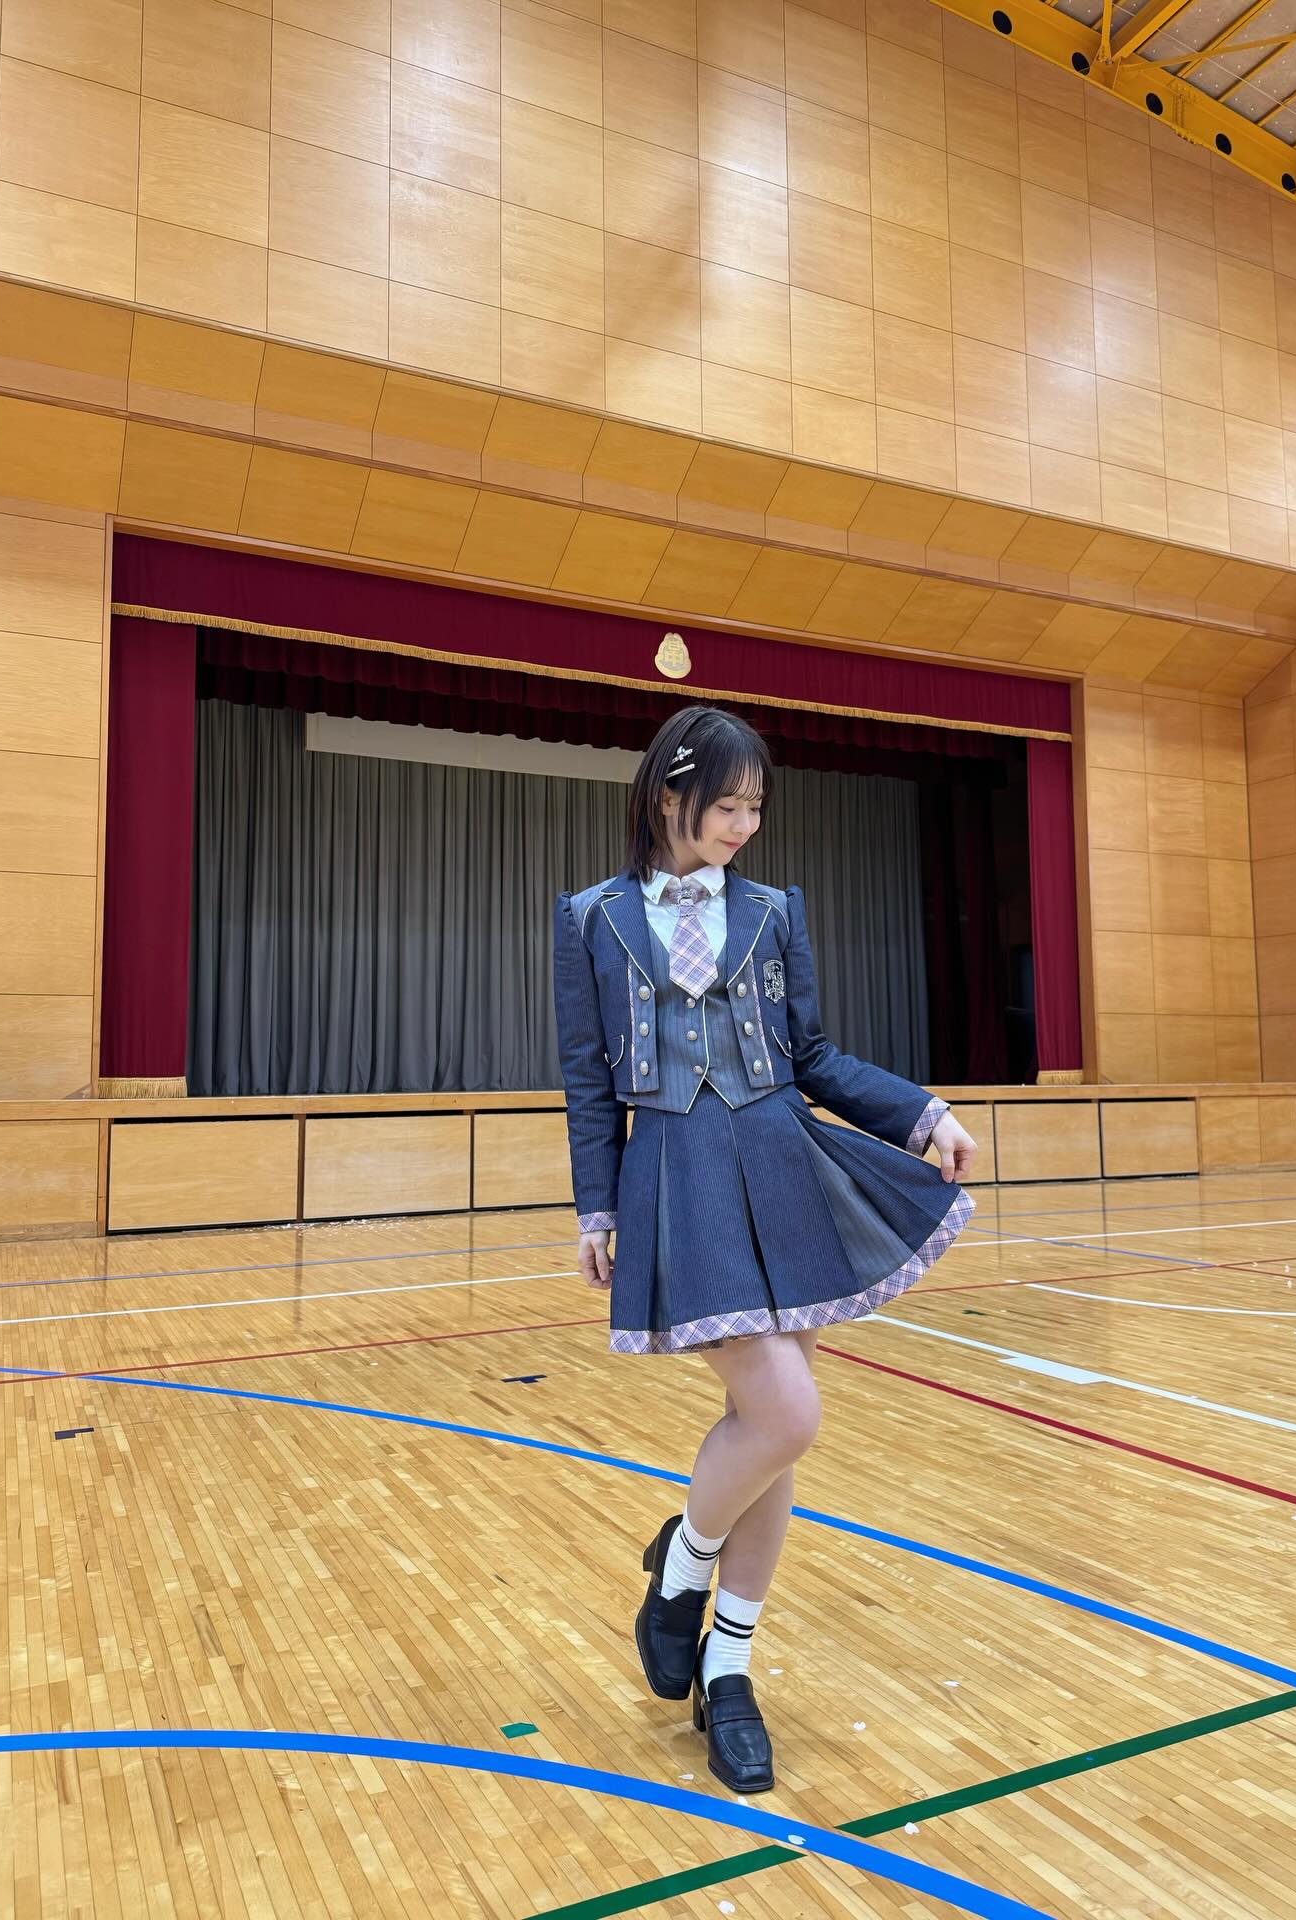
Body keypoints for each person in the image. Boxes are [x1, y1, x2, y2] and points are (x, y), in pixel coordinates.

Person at [552, 705, 977, 1793]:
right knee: (785, 1416)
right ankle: (680, 1572)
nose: (744, 826)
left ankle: (728, 1672)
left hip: (785, 1174)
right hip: (673, 1181)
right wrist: (596, 1210)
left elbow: (814, 1055)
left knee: (773, 1436)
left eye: (755, 808)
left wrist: (922, 1113)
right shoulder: (590, 918)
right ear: (669, 796)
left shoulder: (775, 911)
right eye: (728, 805)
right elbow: (589, 1083)